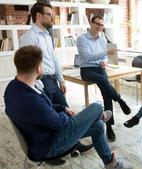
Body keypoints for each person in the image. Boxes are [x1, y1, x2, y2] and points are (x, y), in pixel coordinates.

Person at [4, 46, 132, 169]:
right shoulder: (31, 100)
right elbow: (59, 123)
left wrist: (63, 108)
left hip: (40, 136)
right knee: (97, 107)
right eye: (42, 64)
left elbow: (45, 108)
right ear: (38, 68)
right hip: (49, 145)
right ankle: (100, 115)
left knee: (98, 126)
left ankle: (111, 164)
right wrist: (66, 115)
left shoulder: (13, 87)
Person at [19, 2, 92, 165]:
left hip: (52, 80)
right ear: (38, 16)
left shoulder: (46, 35)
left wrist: (61, 79)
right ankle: (51, 154)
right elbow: (30, 67)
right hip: (41, 82)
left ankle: (73, 145)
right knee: (48, 118)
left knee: (66, 112)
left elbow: (53, 59)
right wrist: (37, 87)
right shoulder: (28, 38)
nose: (53, 17)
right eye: (49, 15)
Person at [76, 16, 131, 142]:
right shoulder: (82, 39)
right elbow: (87, 56)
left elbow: (104, 58)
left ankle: (109, 127)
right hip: (87, 69)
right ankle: (120, 99)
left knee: (106, 94)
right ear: (91, 23)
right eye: (97, 24)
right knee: (103, 81)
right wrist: (106, 53)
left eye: (102, 25)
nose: (100, 27)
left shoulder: (102, 39)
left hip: (99, 68)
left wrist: (104, 61)